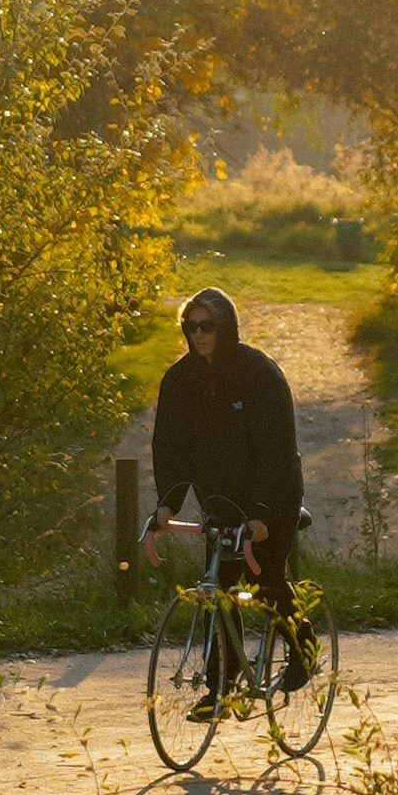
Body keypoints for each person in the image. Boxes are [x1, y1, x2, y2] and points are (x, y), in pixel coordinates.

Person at [146, 285, 307, 683]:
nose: (198, 334)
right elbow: (171, 446)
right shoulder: (180, 380)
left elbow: (278, 449)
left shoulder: (259, 375)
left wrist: (264, 513)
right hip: (220, 498)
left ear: (226, 328)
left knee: (264, 582)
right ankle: (221, 677)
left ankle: (304, 652)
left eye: (208, 326)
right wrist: (168, 505)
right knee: (216, 592)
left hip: (273, 494)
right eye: (191, 326)